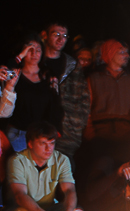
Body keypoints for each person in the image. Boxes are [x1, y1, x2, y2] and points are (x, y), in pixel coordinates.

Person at [4, 121, 84, 211]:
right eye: (43, 143)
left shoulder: (61, 159)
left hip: (49, 210)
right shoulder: (17, 160)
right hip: (26, 210)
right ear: (30, 144)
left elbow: (70, 190)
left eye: (52, 143)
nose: (49, 148)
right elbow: (20, 195)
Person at [84, 39, 130, 164]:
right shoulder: (93, 80)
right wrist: (91, 137)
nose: (127, 56)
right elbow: (85, 110)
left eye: (127, 52)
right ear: (110, 53)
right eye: (121, 52)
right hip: (100, 140)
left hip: (127, 141)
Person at [41, 22, 91, 164]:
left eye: (64, 36)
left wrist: (76, 126)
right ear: (45, 35)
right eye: (56, 34)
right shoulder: (36, 62)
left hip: (66, 134)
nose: (60, 39)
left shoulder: (72, 65)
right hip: (37, 131)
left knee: (63, 175)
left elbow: (84, 99)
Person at [6, 34, 63, 152]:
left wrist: (55, 130)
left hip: (40, 135)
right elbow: (5, 70)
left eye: (38, 50)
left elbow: (56, 104)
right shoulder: (15, 75)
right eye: (30, 50)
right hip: (17, 133)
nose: (34, 54)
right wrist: (20, 56)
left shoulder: (48, 76)